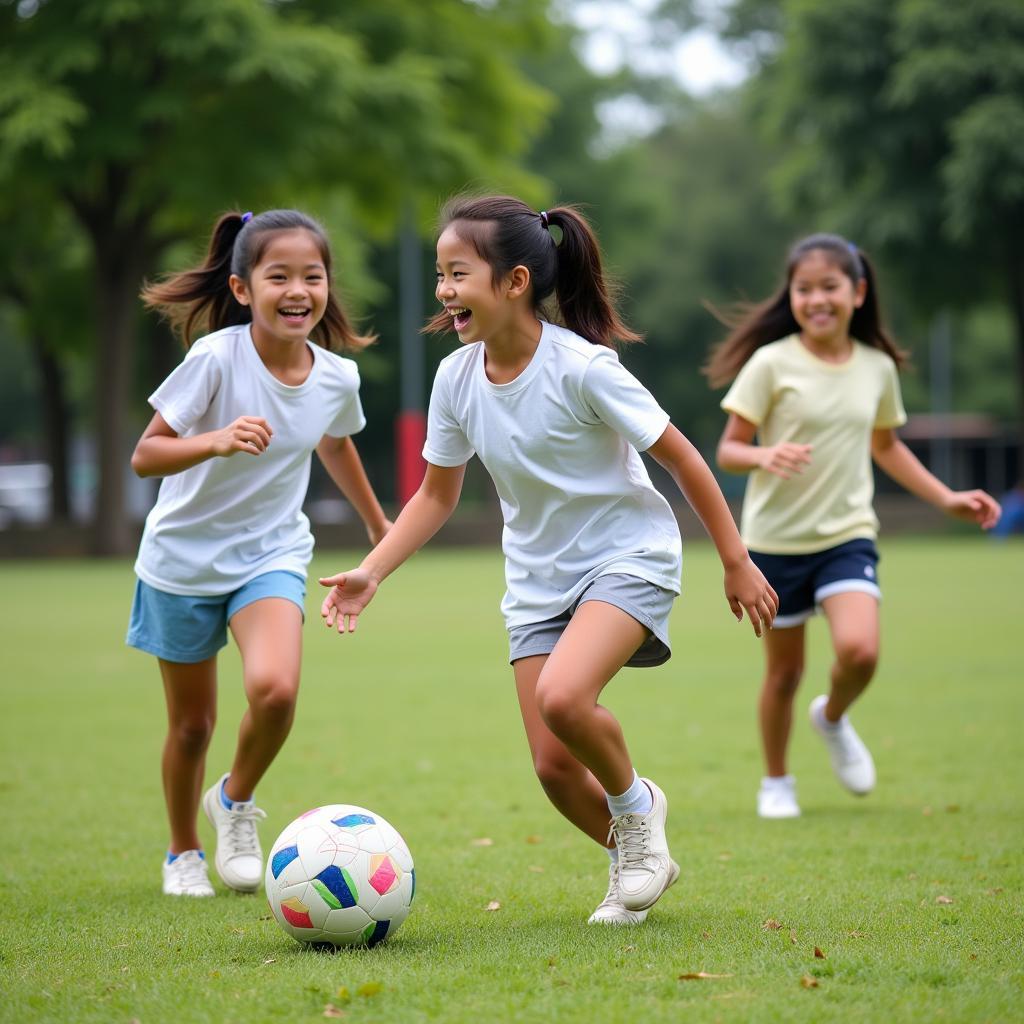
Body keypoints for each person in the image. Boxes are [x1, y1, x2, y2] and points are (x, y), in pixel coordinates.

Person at [319, 194, 777, 925]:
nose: (444, 290)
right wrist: (373, 569)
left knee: (563, 698)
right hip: (537, 581)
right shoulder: (456, 379)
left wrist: (734, 558)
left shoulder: (584, 369)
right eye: (440, 274)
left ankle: (638, 808)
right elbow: (436, 498)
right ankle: (637, 859)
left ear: (514, 282)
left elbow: (684, 458)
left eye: (457, 272)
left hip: (627, 559)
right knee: (554, 768)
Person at [128, 209, 391, 897]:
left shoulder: (337, 377)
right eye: (280, 276)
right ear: (244, 289)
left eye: (313, 275)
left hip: (269, 554)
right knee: (192, 727)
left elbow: (335, 442)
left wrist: (376, 523)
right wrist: (214, 439)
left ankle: (235, 800)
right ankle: (182, 851)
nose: (298, 289)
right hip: (181, 562)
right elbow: (145, 455)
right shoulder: (216, 359)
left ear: (328, 286)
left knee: (274, 692)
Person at [705, 233, 1002, 819]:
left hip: (847, 536)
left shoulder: (877, 368)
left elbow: (887, 448)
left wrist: (947, 499)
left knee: (860, 652)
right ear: (790, 296)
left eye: (830, 287)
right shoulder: (771, 363)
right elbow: (728, 450)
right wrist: (765, 456)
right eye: (804, 289)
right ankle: (777, 781)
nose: (817, 299)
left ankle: (833, 717)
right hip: (774, 545)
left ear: (858, 292)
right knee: (785, 674)